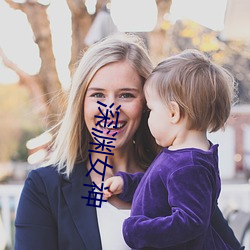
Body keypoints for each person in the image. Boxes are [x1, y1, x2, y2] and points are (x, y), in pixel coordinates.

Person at [14, 35, 243, 250]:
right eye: (98, 95)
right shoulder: (44, 187)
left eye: (126, 95)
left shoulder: (179, 171)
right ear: (81, 103)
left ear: (148, 104)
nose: (110, 110)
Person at [103, 49, 244, 249]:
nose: (147, 117)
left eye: (151, 110)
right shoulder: (182, 157)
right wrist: (127, 184)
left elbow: (190, 222)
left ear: (173, 112)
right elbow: (159, 187)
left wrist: (138, 231)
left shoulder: (188, 166)